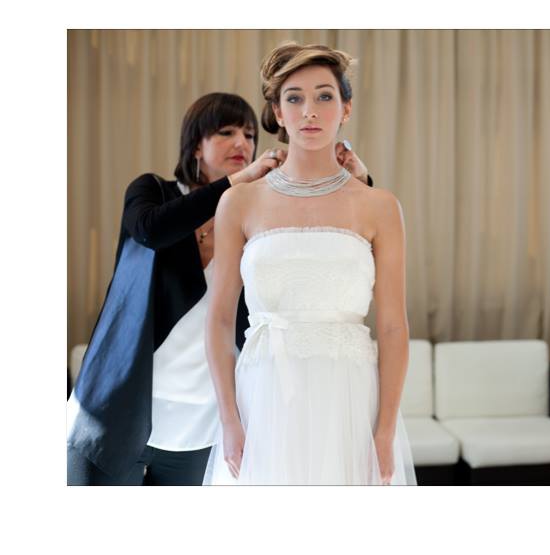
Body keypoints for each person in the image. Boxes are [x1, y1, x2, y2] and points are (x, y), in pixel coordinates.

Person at [67, 91, 373, 485]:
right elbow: (151, 231)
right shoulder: (153, 193)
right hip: (115, 410)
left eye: (250, 135)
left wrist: (361, 182)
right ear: (197, 144)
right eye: (226, 132)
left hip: (199, 426)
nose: (242, 143)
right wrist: (236, 183)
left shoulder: (254, 220)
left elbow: (325, 249)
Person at [203, 42, 416, 485]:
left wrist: (385, 428)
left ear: (346, 109)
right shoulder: (239, 202)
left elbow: (394, 326)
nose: (310, 111)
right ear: (278, 113)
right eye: (294, 98)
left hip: (349, 398)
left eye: (324, 96)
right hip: (264, 396)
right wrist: (229, 419)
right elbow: (220, 319)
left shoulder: (379, 206)